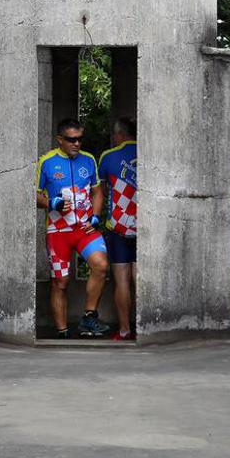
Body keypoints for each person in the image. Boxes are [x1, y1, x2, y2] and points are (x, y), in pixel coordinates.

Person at [36, 118, 111, 338]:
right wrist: (52, 203)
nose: (76, 144)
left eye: (79, 139)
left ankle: (89, 318)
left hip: (84, 229)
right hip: (58, 232)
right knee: (61, 282)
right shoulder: (47, 161)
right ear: (60, 139)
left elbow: (97, 191)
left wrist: (96, 217)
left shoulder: (88, 160)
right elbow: (35, 194)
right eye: (71, 140)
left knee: (101, 265)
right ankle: (62, 332)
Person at [97, 118, 138, 341]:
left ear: (119, 134)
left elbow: (101, 191)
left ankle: (124, 330)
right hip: (145, 227)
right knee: (140, 278)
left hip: (118, 227)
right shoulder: (149, 150)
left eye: (114, 136)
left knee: (122, 280)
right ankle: (147, 328)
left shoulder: (108, 156)